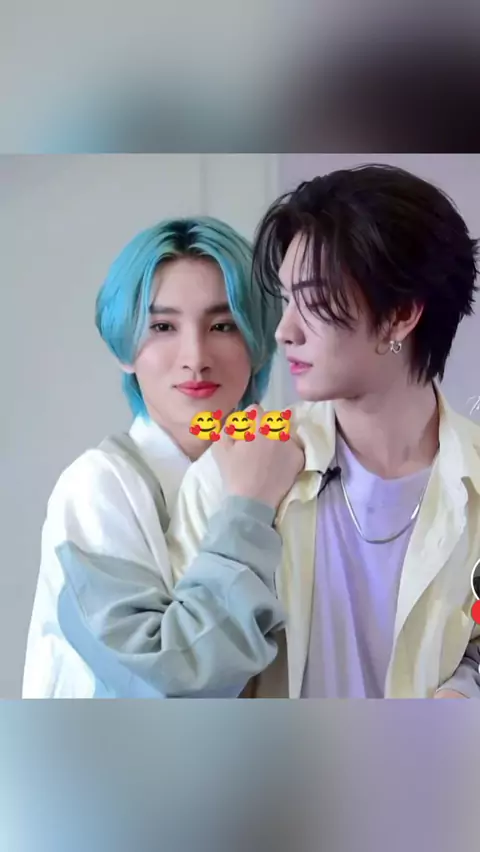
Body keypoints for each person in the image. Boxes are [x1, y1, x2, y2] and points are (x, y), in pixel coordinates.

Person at [167, 164, 480, 698]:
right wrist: (246, 512)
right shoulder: (235, 470)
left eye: (312, 300)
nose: (283, 331)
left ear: (401, 313)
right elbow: (187, 683)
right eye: (287, 299)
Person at [23, 216, 304, 698]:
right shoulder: (96, 487)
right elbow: (168, 687)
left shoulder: (294, 463)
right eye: (162, 326)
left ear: (258, 341)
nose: (195, 357)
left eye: (222, 325)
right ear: (125, 348)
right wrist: (248, 510)